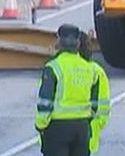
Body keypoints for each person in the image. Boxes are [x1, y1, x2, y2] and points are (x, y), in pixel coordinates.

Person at [35, 24, 102, 156]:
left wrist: (41, 125)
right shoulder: (89, 68)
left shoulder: (53, 67)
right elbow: (95, 102)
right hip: (82, 127)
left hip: (57, 127)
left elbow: (45, 101)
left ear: (59, 42)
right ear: (78, 44)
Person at [79, 32, 111, 153]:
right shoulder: (96, 71)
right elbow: (103, 106)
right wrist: (96, 126)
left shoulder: (55, 68)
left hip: (58, 137)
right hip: (87, 134)